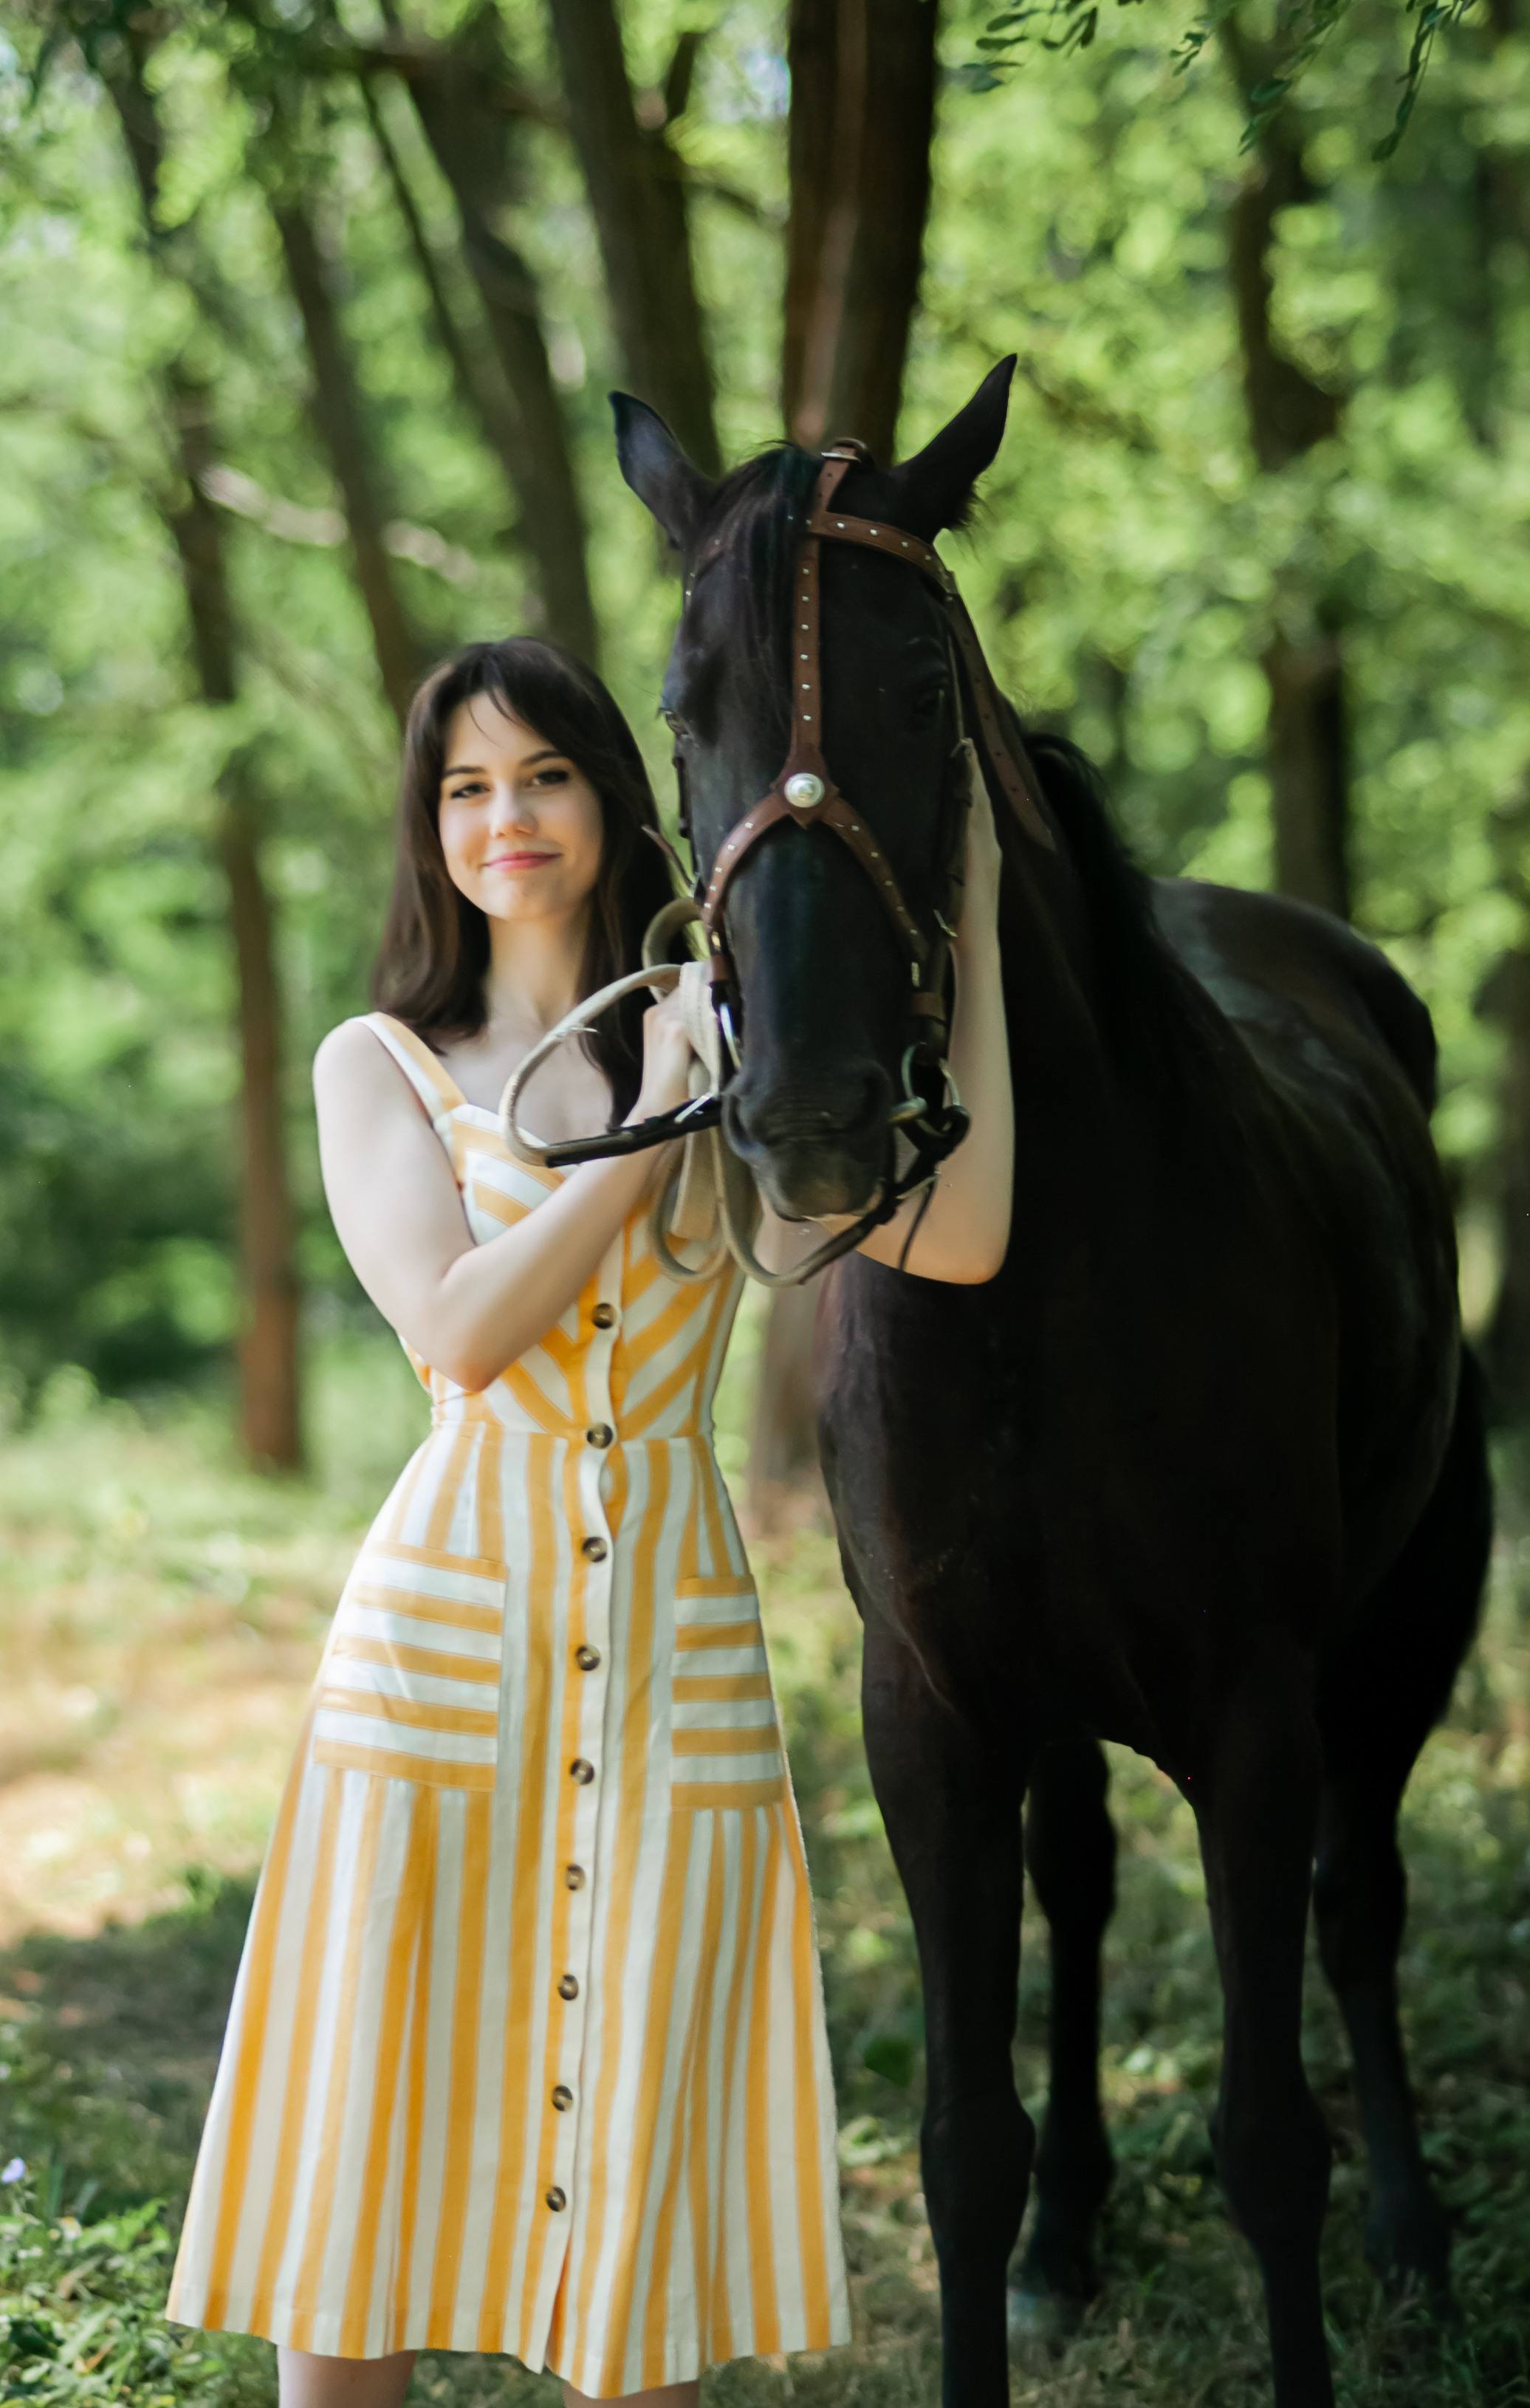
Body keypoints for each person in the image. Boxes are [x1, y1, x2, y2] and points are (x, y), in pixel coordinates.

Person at [167, 634, 1012, 2407]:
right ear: (430, 827)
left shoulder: (732, 1042)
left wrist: (980, 925)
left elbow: (967, 1234)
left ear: (610, 796)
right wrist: (650, 1127)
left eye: (541, 774)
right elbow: (460, 1329)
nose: (506, 819)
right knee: (364, 2158)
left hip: (674, 1656)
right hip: (443, 1643)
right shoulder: (380, 1061)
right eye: (465, 787)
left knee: (638, 2159)